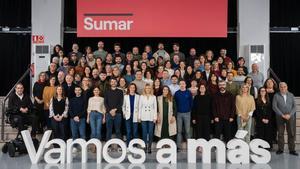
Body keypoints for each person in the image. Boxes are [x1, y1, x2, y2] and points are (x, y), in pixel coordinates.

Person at [272, 82, 298, 156]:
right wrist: (282, 115)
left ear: (287, 87)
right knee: (280, 133)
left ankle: (292, 150)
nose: (283, 88)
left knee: (291, 133)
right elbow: (274, 107)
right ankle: (280, 149)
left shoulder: (291, 95)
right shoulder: (276, 96)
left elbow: (294, 107)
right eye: (281, 87)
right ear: (279, 88)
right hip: (280, 117)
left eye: (284, 87)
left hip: (290, 117)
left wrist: (290, 115)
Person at [174, 80, 193, 151]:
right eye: (180, 84)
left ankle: (190, 147)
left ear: (185, 85)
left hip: (187, 113)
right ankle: (178, 147)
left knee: (187, 131)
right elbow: (175, 104)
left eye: (183, 84)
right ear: (179, 85)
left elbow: (191, 103)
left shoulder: (188, 92)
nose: (182, 85)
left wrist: (189, 110)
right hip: (179, 114)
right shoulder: (177, 93)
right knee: (179, 131)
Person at [138, 84, 157, 153]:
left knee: (151, 132)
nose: (148, 89)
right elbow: (140, 107)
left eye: (149, 88)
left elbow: (155, 108)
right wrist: (139, 117)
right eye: (146, 88)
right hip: (143, 116)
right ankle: (144, 146)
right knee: (144, 132)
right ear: (145, 89)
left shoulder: (153, 97)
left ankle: (149, 147)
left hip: (151, 116)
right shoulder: (142, 97)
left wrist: (155, 117)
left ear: (151, 89)